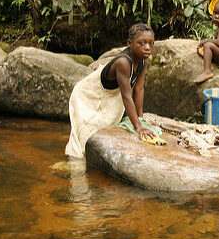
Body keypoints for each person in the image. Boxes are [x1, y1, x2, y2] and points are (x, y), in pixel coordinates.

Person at [65, 23, 157, 158]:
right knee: (83, 133)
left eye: (151, 43)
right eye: (142, 43)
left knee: (105, 127)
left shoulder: (143, 60)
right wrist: (137, 127)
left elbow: (138, 88)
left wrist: (140, 119)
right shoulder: (123, 63)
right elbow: (126, 96)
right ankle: (73, 165)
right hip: (89, 94)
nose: (147, 47)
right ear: (129, 43)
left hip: (109, 94)